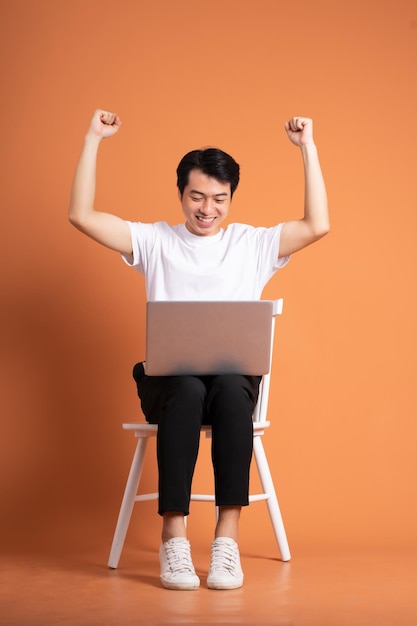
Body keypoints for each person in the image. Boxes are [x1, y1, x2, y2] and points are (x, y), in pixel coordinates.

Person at [68, 109, 329, 591]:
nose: (207, 209)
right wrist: (93, 138)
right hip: (170, 387)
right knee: (186, 389)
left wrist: (306, 148)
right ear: (181, 194)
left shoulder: (253, 244)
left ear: (231, 198)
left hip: (232, 383)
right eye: (197, 197)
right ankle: (174, 541)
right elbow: (81, 216)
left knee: (232, 390)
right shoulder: (154, 240)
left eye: (219, 199)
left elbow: (318, 224)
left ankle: (226, 543)